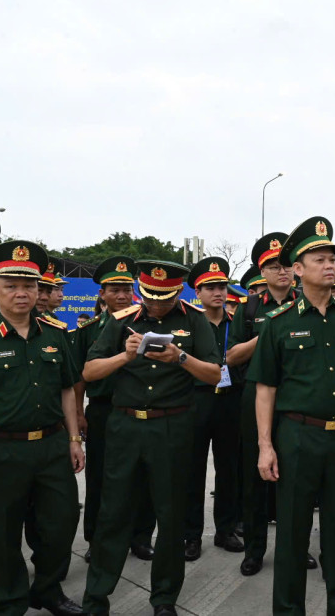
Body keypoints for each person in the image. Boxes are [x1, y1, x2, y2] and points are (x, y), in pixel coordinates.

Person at [250, 217, 335, 615]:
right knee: (291, 532)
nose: (330, 265)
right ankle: (289, 609)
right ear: (297, 269)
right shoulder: (279, 324)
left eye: (332, 258)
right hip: (297, 438)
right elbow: (265, 388)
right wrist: (265, 445)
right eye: (319, 258)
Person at [81, 260, 222, 616]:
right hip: (125, 426)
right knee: (113, 515)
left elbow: (213, 375)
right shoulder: (120, 320)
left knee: (170, 516)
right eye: (150, 296)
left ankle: (164, 600)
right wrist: (123, 356)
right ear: (141, 290)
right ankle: (96, 598)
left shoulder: (195, 320)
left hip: (172, 428)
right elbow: (89, 371)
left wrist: (181, 357)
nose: (157, 304)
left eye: (165, 297)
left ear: (178, 292)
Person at [0, 240, 85, 616]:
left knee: (61, 525)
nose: (22, 293)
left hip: (51, 447)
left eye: (29, 286)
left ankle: (46, 590)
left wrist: (74, 439)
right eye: (12, 286)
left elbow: (67, 388)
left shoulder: (54, 335)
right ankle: (9, 600)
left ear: (39, 290)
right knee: (0, 535)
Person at [225, 233, 304, 577]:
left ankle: (297, 548)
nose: (282, 271)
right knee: (254, 478)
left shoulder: (307, 302)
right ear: (262, 271)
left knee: (296, 481)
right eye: (274, 266)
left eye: (286, 264)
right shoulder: (249, 308)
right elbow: (231, 356)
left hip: (295, 399)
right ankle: (255, 550)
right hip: (254, 398)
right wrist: (267, 334)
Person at [71, 257, 156, 565]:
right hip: (104, 411)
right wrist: (80, 414)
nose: (122, 296)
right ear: (102, 294)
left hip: (139, 411)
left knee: (143, 476)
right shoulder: (88, 330)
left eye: (127, 289)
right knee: (100, 479)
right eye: (115, 290)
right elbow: (79, 376)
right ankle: (97, 538)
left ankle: (141, 537)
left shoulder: (145, 324)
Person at [183, 257, 244, 561]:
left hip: (230, 400)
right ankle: (192, 535)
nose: (218, 292)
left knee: (229, 468)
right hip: (197, 400)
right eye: (210, 287)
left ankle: (226, 529)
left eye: (222, 286)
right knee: (192, 470)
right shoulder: (191, 323)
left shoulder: (237, 323)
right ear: (198, 292)